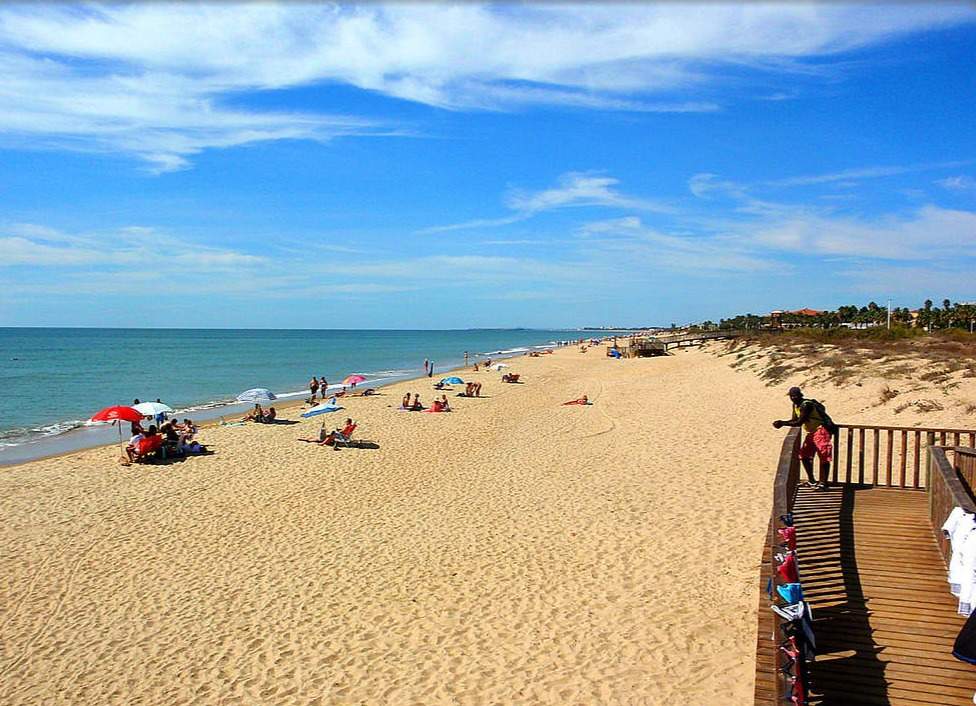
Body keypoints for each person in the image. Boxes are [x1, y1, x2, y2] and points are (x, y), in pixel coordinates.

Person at [773, 386, 834, 490]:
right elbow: (794, 419)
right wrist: (784, 422)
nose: (793, 398)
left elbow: (799, 422)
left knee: (823, 456)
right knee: (804, 455)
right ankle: (812, 480)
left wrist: (782, 423)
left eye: (795, 396)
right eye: (792, 396)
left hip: (820, 430)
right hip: (811, 432)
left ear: (800, 395)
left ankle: (823, 483)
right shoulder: (796, 405)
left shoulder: (806, 405)